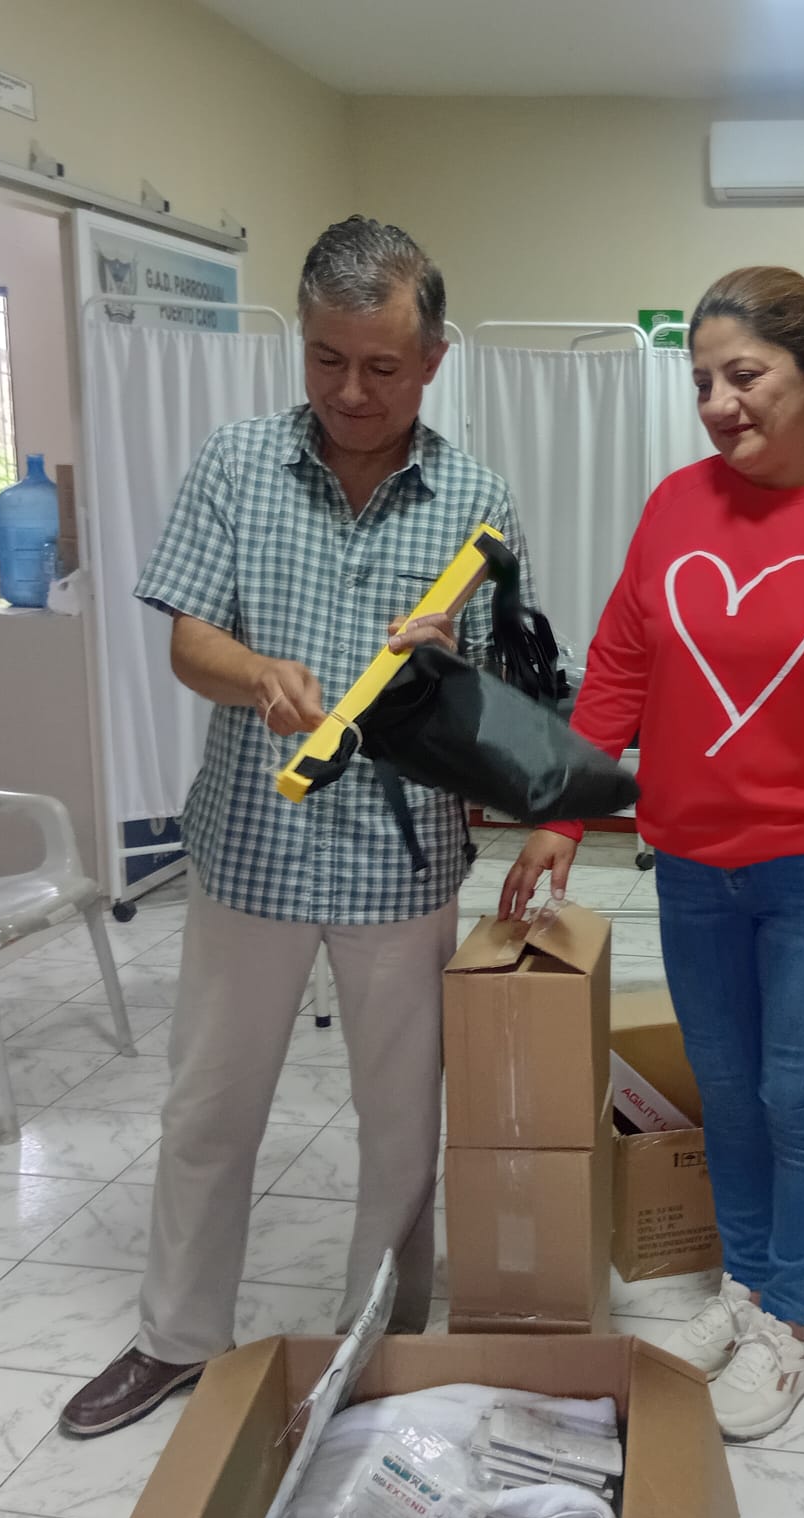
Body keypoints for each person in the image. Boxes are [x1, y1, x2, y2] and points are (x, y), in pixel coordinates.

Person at [61, 216, 536, 1437]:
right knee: (208, 1108)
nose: (351, 391)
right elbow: (189, 640)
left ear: (433, 359)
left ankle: (380, 1345)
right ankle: (175, 1336)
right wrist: (255, 670)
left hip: (401, 863)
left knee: (401, 1132)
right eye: (327, 359)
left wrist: (449, 681)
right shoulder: (237, 462)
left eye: (381, 365)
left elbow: (505, 704)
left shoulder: (477, 499)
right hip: (249, 852)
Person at [500, 266, 804, 1440]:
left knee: (797, 1095)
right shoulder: (675, 506)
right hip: (695, 863)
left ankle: (790, 1323)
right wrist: (561, 813)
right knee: (730, 1093)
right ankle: (747, 1288)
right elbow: (618, 669)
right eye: (702, 380)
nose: (717, 403)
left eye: (743, 376)